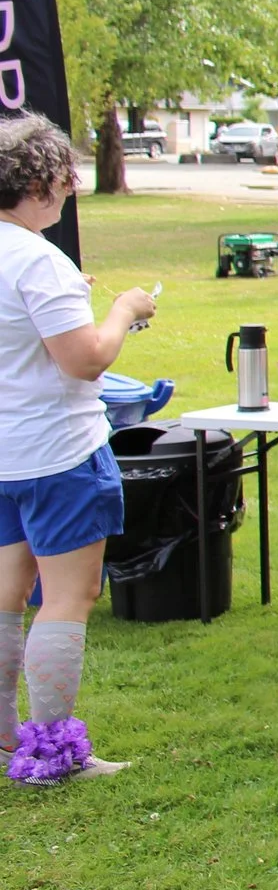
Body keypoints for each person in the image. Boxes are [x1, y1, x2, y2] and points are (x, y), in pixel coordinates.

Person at [0, 114, 156, 783]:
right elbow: (85, 360)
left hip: (6, 454)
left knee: (8, 594)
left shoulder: (20, 258)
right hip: (58, 454)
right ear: (41, 180)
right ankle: (53, 753)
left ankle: (7, 738)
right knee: (69, 595)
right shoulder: (40, 260)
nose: (72, 191)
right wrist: (125, 309)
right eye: (67, 179)